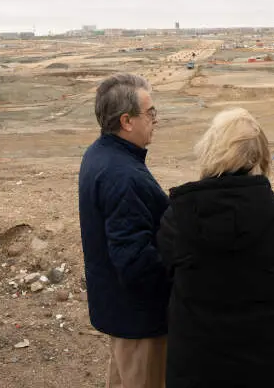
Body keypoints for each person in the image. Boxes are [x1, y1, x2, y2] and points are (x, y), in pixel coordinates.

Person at [158, 108, 274, 388]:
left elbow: (168, 269)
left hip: (197, 364)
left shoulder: (177, 217)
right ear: (261, 155)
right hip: (269, 365)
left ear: (210, 150)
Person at [78, 73, 169, 388]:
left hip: (122, 312)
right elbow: (135, 261)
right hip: (140, 319)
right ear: (127, 121)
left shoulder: (101, 154)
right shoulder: (123, 176)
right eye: (150, 112)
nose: (156, 119)